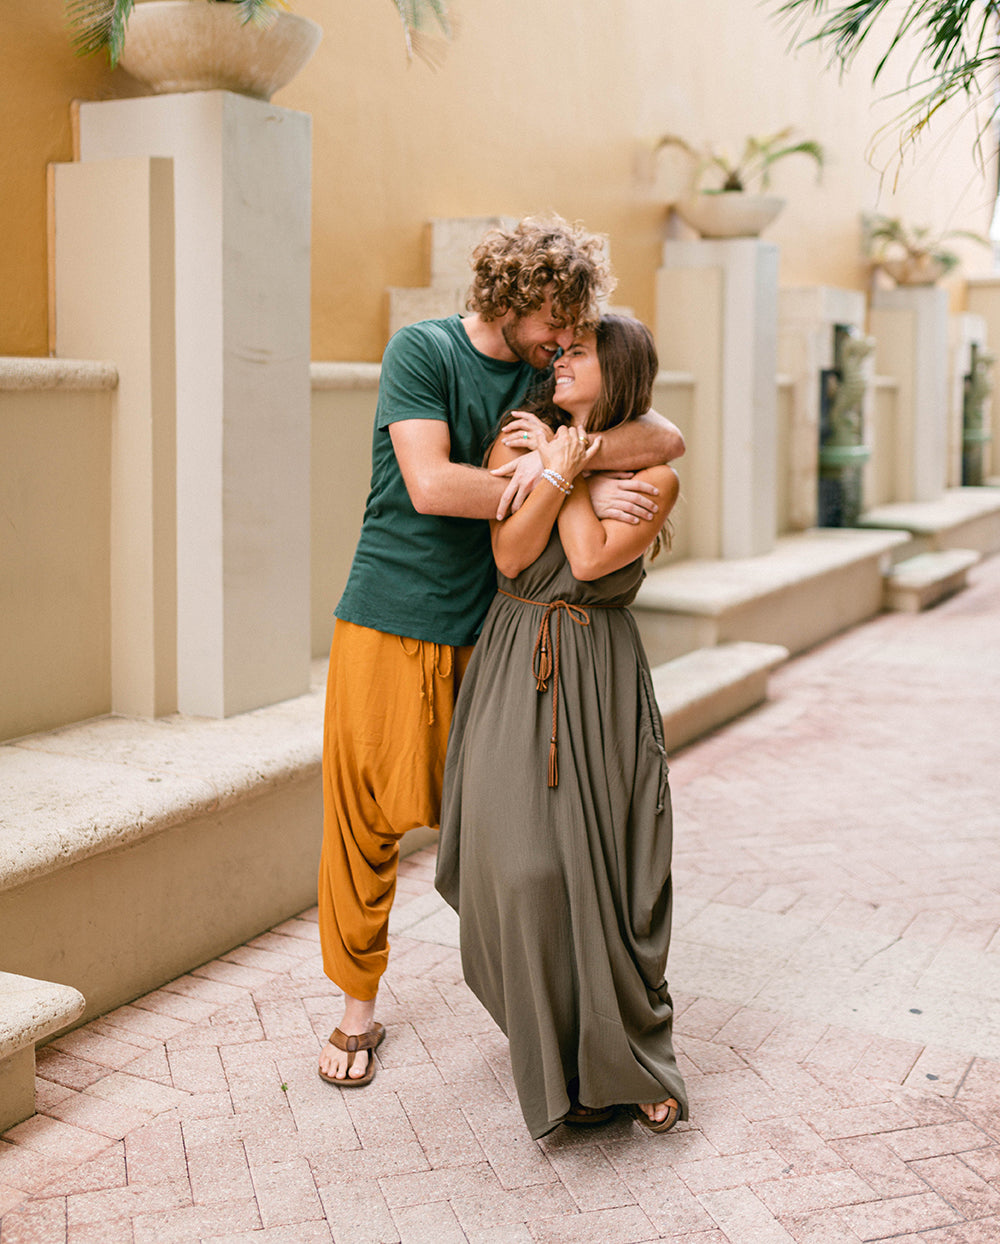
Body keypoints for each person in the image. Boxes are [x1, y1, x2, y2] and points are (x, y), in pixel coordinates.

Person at [317, 218, 685, 1087]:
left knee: (500, 833)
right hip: (389, 615)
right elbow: (432, 484)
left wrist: (567, 459)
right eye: (556, 317)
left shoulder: (545, 373)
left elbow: (661, 436)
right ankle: (355, 1012)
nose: (565, 341)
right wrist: (554, 480)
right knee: (365, 823)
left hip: (498, 631)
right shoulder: (422, 351)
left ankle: (555, 1009)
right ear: (515, 299)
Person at [435, 314, 687, 1138]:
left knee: (614, 874)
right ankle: (557, 1049)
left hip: (599, 669)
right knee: (524, 866)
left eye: (580, 351)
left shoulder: (652, 466)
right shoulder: (521, 438)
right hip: (518, 655)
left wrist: (564, 471)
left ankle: (632, 1060)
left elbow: (587, 562)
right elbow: (511, 555)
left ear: (620, 371)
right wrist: (554, 465)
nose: (561, 359)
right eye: (562, 349)